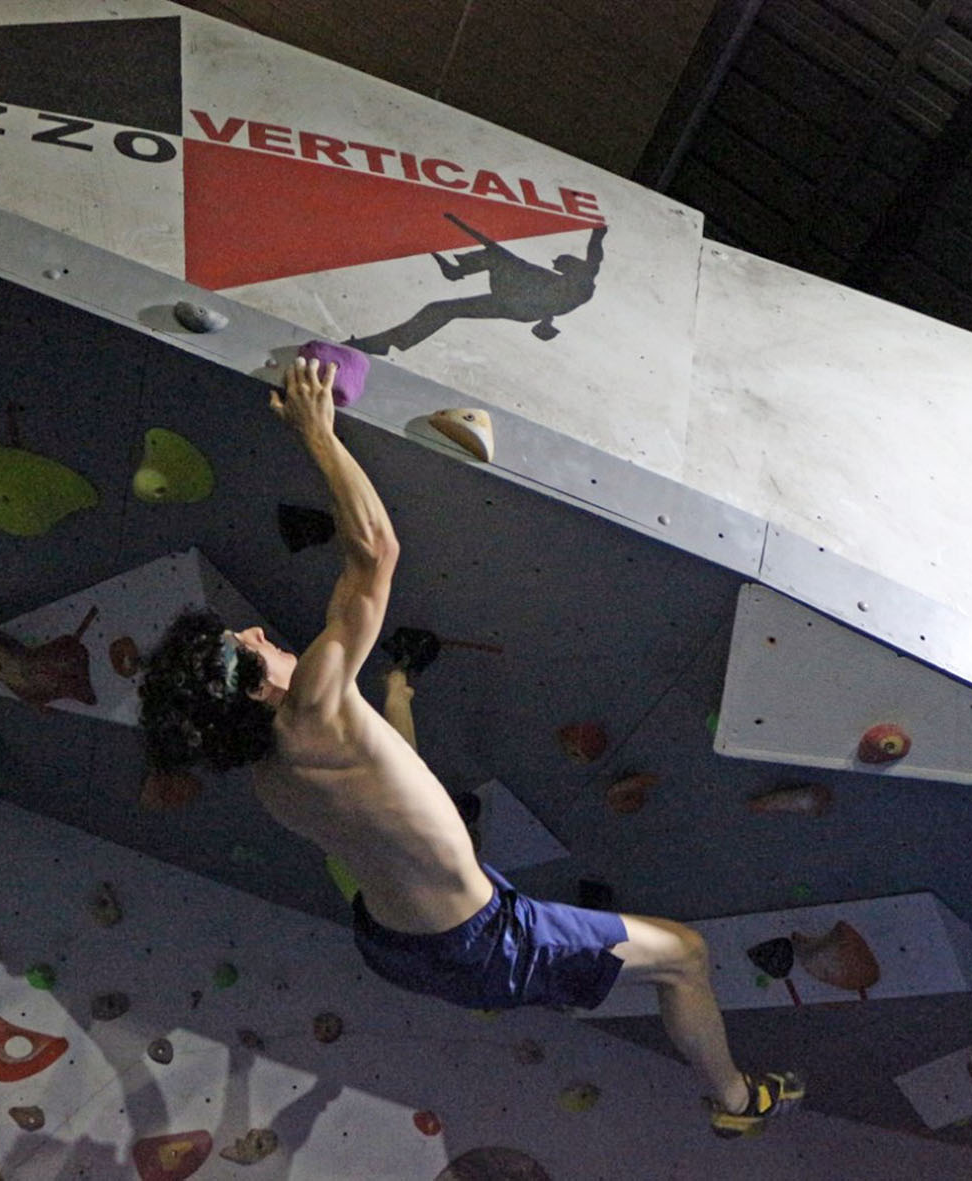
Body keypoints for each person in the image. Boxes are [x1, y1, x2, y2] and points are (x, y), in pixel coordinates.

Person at [138, 357, 801, 1137]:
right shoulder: (314, 702)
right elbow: (375, 551)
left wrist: (392, 699)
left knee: (450, 840)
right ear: (253, 686)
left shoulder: (271, 776)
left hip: (394, 941)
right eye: (243, 641)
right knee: (685, 954)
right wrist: (317, 432)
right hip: (483, 941)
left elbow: (386, 797)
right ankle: (735, 1102)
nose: (255, 631)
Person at [346, 216, 607, 355]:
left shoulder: (583, 280)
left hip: (521, 304)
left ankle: (459, 270)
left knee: (502, 258)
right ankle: (384, 343)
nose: (555, 264)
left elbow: (594, 253)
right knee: (441, 308)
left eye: (560, 263)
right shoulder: (566, 281)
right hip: (520, 300)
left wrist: (598, 232)